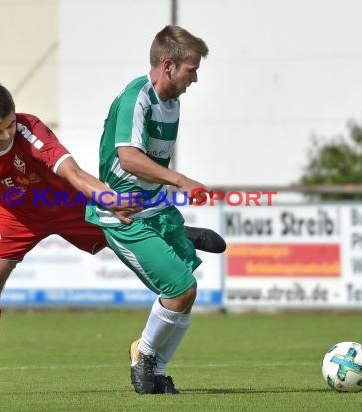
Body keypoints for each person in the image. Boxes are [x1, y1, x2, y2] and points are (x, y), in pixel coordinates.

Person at [0, 82, 224, 396]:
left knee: (123, 229)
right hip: (16, 215)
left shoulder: (34, 135)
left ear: (15, 117)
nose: (4, 136)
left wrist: (109, 198)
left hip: (67, 206)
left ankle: (170, 232)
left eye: (9, 127)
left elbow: (75, 174)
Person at [85, 25, 213, 395]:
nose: (196, 78)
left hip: (155, 210)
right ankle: (144, 354)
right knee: (181, 288)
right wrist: (180, 180)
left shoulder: (173, 103)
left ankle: (157, 371)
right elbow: (128, 159)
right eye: (192, 69)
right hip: (124, 216)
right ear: (169, 65)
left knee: (186, 294)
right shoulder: (135, 97)